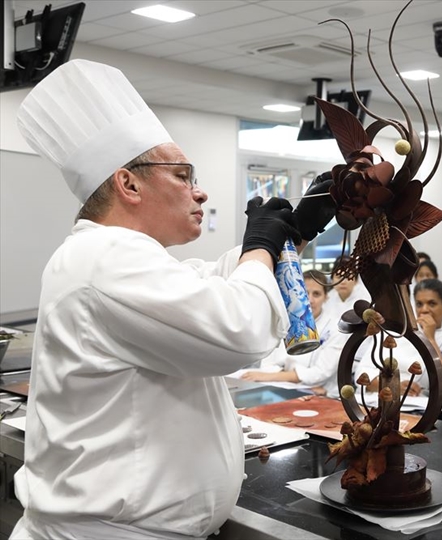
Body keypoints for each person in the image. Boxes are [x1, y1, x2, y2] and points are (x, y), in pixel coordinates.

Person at [11, 60, 336, 539]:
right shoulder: (106, 259)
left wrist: (293, 234)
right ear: (129, 183)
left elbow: (211, 285)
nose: (200, 192)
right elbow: (239, 330)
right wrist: (263, 245)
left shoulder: (120, 257)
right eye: (184, 175)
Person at [356, 279, 442, 400]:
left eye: (432, 304)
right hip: (383, 402)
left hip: (424, 409)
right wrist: (395, 387)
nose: (424, 310)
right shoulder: (395, 334)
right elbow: (362, 374)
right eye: (419, 304)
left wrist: (430, 340)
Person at [239, 271, 347, 397]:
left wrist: (271, 376)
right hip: (281, 389)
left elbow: (320, 373)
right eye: (304, 293)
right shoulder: (285, 322)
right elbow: (267, 364)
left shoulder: (335, 328)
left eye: (316, 294)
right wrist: (288, 376)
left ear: (326, 297)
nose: (310, 300)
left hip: (320, 395)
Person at [324, 255, 371, 320]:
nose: (343, 282)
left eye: (347, 277)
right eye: (339, 277)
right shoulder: (326, 299)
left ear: (356, 281)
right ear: (332, 280)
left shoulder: (365, 299)